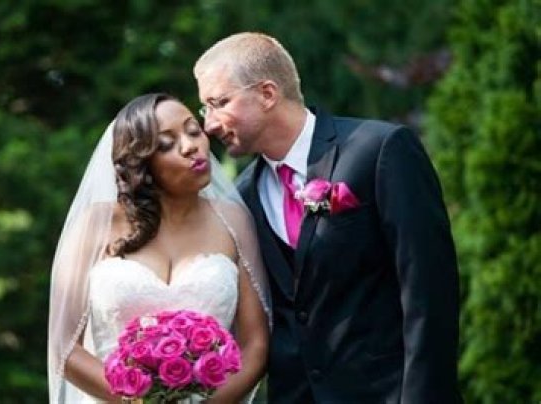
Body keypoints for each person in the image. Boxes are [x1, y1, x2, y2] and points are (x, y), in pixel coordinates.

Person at [194, 32, 461, 403]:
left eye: (219, 103)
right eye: (204, 109)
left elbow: (429, 291)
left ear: (268, 94)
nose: (209, 125)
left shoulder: (379, 150)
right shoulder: (242, 198)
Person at [47, 93, 271, 403]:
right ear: (141, 164)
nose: (190, 146)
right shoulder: (96, 224)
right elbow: (64, 347)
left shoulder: (234, 220)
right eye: (166, 144)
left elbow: (256, 344)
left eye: (193, 131)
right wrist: (143, 401)